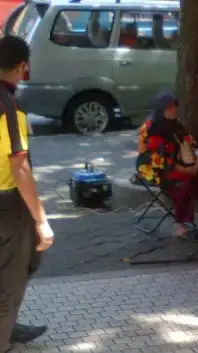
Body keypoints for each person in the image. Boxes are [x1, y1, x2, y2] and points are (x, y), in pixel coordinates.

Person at [0, 36, 55, 353]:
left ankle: (8, 326)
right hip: (8, 204)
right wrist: (42, 219)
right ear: (22, 67)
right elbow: (19, 169)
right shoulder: (9, 107)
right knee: (13, 275)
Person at [136, 92, 198, 238]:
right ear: (161, 109)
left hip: (180, 163)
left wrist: (196, 163)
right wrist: (186, 170)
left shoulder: (175, 124)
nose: (174, 110)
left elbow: (190, 144)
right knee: (183, 185)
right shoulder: (152, 128)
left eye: (174, 106)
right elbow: (159, 160)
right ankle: (181, 223)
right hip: (156, 169)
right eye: (169, 107)